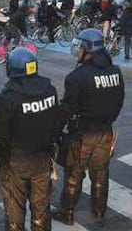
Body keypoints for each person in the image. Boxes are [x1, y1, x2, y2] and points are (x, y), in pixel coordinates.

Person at [53, 28, 125, 225]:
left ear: (88, 49)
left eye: (80, 47)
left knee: (74, 174)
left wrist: (56, 132)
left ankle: (66, 212)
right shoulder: (115, 71)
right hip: (105, 131)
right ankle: (99, 209)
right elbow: (119, 101)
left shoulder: (77, 77)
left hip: (82, 134)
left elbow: (67, 108)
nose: (78, 51)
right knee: (100, 173)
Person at [0, 48, 60, 231]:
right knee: (41, 208)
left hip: (16, 162)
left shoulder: (8, 97)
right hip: (42, 158)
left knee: (14, 210)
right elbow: (56, 122)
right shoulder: (49, 91)